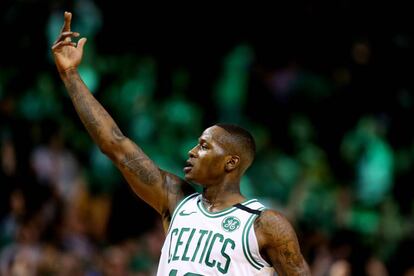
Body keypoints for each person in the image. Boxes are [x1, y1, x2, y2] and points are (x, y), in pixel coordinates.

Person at [51, 11, 311, 276]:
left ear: (231, 162)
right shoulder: (176, 200)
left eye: (205, 146)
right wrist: (70, 75)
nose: (192, 151)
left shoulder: (265, 224)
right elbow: (114, 144)